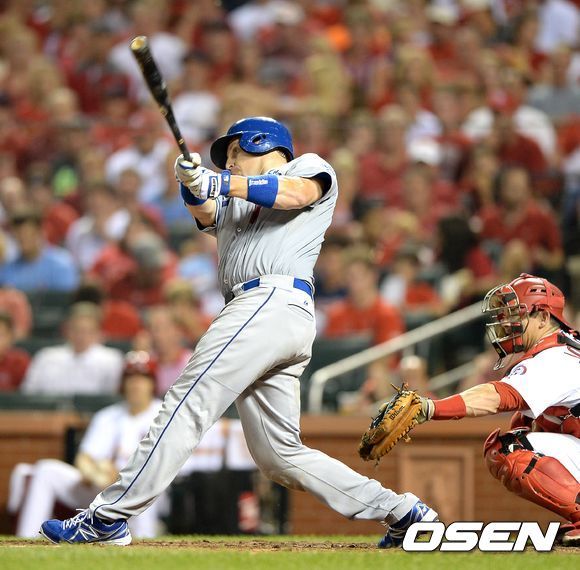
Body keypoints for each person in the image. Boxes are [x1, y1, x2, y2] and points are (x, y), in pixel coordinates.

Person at [40, 116, 437, 547]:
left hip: (269, 299)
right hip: (266, 314)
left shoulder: (306, 166)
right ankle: (403, 512)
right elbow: (205, 211)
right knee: (280, 456)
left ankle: (108, 517)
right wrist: (191, 184)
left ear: (261, 143)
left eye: (234, 152)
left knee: (188, 402)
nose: (227, 163)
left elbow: (294, 194)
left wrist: (218, 182)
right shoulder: (234, 197)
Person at [393, 274, 579, 546]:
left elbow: (496, 397)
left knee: (508, 449)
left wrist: (431, 407)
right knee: (523, 429)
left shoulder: (554, 356)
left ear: (542, 317)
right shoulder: (564, 348)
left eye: (516, 314)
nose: (506, 323)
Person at [9, 352, 163, 538]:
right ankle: (28, 538)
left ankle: (147, 541)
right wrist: (93, 473)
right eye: (131, 378)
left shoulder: (164, 415)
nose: (136, 384)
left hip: (145, 491)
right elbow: (84, 458)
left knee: (141, 485)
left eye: (143, 378)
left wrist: (121, 476)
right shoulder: (107, 416)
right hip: (103, 487)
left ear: (152, 383)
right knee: (46, 470)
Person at [21, 303, 123, 395]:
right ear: (67, 330)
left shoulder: (112, 359)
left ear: (97, 333)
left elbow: (113, 395)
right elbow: (28, 394)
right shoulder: (46, 357)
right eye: (76, 329)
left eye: (86, 331)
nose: (81, 336)